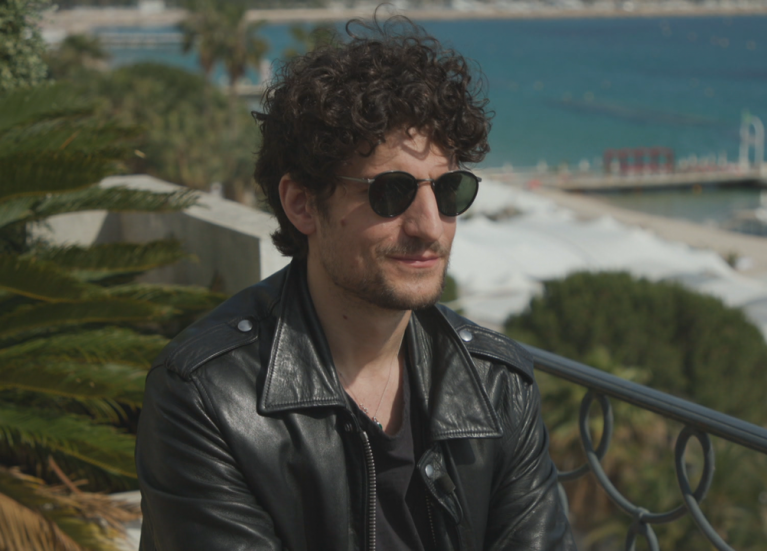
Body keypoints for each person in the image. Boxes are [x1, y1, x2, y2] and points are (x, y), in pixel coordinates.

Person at [136, 15, 576, 551]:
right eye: (390, 193)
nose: (429, 226)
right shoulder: (209, 398)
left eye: (450, 191)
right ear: (302, 204)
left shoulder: (497, 386)